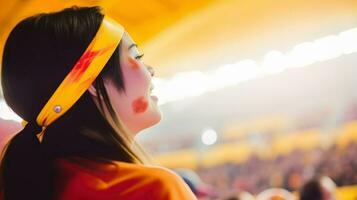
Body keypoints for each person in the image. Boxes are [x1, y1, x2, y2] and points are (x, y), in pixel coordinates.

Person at [0, 6, 196, 200]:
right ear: (94, 82)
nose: (151, 69)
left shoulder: (22, 185)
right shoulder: (153, 189)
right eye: (137, 56)